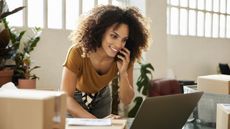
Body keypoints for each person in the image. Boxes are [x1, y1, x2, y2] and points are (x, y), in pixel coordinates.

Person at [60, 5, 150, 119]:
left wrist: (123, 73)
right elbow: (66, 97)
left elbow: (126, 100)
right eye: (114, 36)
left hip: (102, 96)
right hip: (74, 100)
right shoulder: (78, 52)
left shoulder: (124, 57)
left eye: (124, 40)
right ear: (101, 31)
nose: (119, 45)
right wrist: (97, 122)